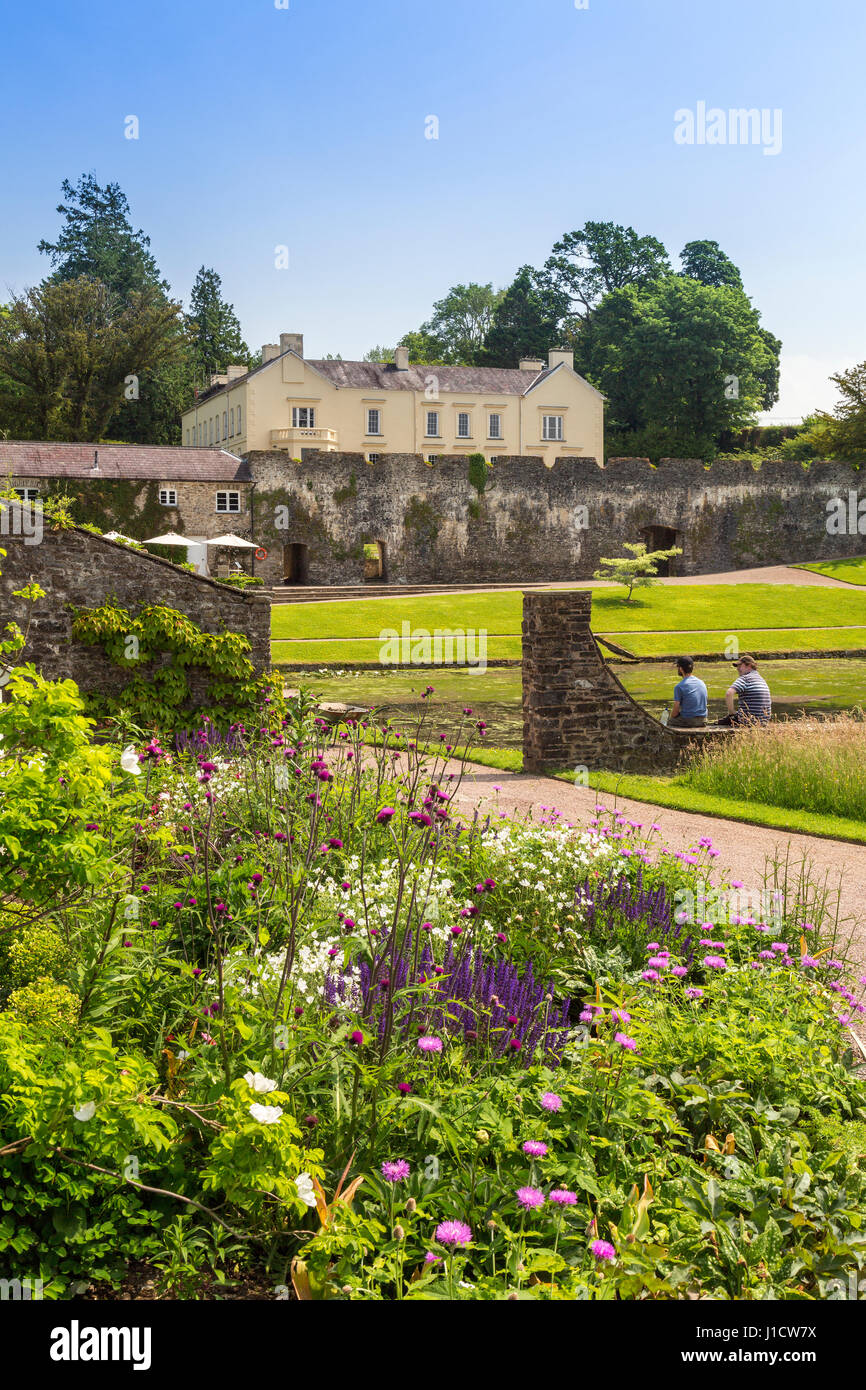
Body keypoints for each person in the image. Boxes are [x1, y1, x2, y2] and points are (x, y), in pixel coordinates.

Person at [718, 654, 772, 726]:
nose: (737, 668)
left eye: (740, 666)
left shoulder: (746, 678)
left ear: (749, 665)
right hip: (763, 721)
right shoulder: (761, 679)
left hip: (748, 721)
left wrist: (732, 713)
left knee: (720, 723)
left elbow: (729, 693)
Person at [669, 656, 708, 727]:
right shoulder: (702, 682)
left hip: (689, 721)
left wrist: (670, 716)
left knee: (667, 721)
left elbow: (675, 713)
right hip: (703, 720)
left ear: (681, 669)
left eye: (678, 667)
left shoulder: (679, 686)